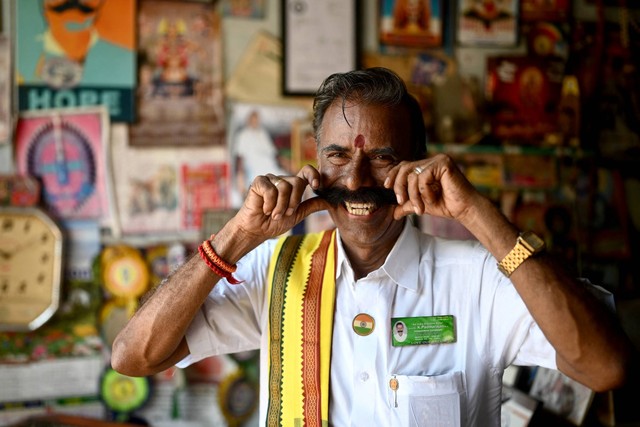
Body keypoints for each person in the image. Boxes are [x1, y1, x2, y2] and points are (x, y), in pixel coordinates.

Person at [112, 67, 634, 426]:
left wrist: (476, 211)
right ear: (314, 161)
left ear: (419, 164)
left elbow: (606, 367)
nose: (358, 178)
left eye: (382, 157)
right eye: (338, 155)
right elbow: (133, 357)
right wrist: (239, 235)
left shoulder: (476, 280)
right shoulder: (277, 273)